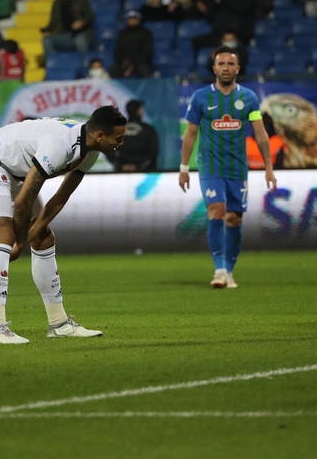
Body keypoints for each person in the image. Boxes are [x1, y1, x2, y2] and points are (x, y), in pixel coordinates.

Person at [0, 106, 127, 344]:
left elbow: (58, 201)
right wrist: (19, 242)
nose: (120, 143)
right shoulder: (60, 146)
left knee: (44, 238)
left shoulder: (90, 150)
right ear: (100, 135)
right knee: (3, 234)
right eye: (118, 138)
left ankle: (59, 324)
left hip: (15, 170)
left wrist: (28, 238)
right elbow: (22, 204)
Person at [178, 47, 278, 289]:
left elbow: (261, 134)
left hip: (237, 167)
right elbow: (190, 133)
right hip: (210, 166)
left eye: (230, 64)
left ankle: (230, 271)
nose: (225, 68)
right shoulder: (201, 97)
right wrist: (183, 167)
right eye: (221, 63)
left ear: (237, 69)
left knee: (234, 218)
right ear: (214, 68)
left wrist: (268, 167)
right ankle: (219, 269)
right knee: (216, 210)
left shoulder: (249, 98)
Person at [112, 99, 159, 172]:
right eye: (141, 109)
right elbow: (154, 152)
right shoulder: (148, 129)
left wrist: (121, 166)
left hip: (121, 174)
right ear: (139, 111)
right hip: (144, 173)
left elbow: (109, 150)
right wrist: (139, 167)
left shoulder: (118, 130)